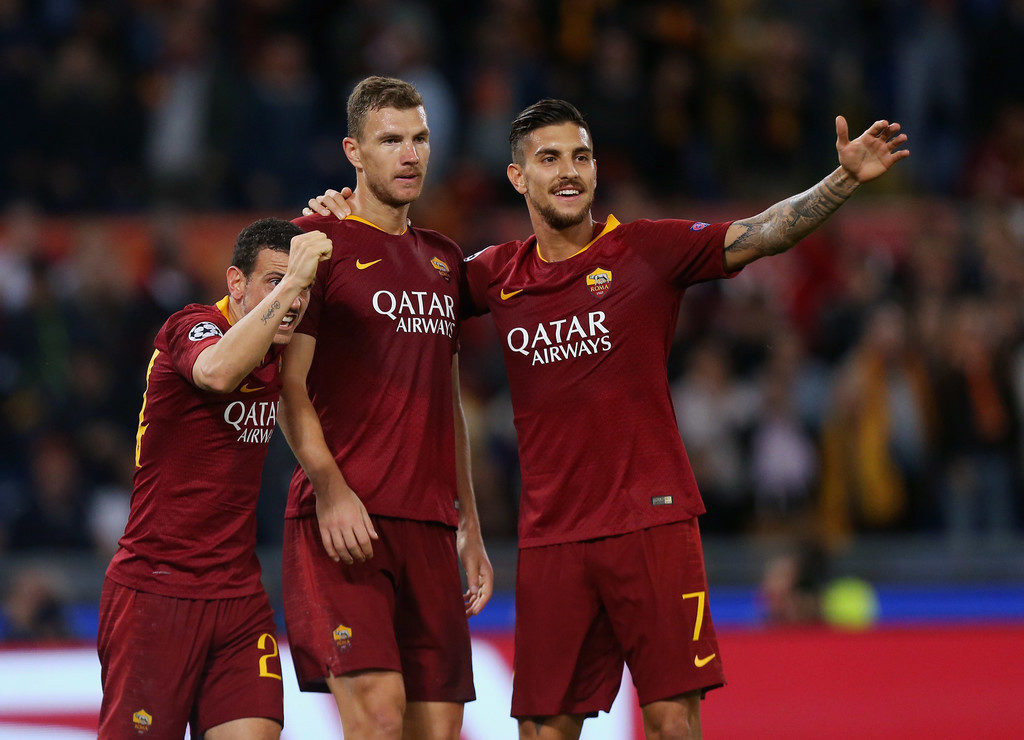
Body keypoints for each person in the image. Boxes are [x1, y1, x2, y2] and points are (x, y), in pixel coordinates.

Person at [307, 100, 909, 738]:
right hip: (552, 538)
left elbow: (760, 234)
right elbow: (400, 279)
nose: (569, 171)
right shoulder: (493, 274)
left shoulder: (646, 250)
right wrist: (349, 223)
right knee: (542, 728)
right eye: (549, 159)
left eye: (581, 157)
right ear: (518, 178)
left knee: (671, 719)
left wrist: (842, 180)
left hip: (651, 520)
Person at [279, 75, 492, 739]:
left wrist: (469, 523)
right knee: (376, 716)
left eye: (420, 139)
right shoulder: (317, 243)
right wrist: (330, 489)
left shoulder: (445, 260)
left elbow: (448, 402)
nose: (410, 155)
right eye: (391, 140)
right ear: (354, 151)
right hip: (348, 523)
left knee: (438, 729)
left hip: (430, 526)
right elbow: (288, 386)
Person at [98, 218, 332, 739]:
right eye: (275, 281)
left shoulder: (282, 350)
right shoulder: (192, 325)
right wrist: (295, 281)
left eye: (301, 288)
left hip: (239, 596)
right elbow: (218, 372)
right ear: (236, 282)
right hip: (156, 589)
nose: (293, 300)